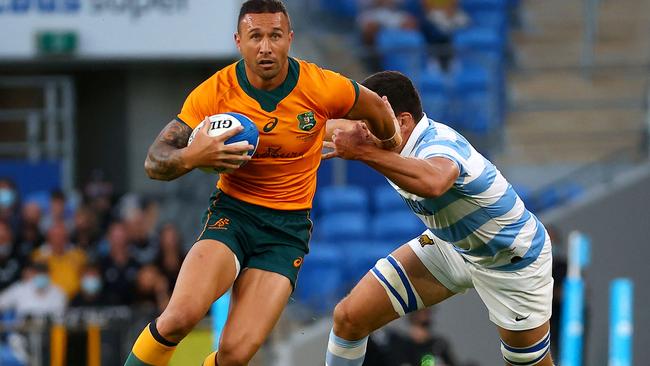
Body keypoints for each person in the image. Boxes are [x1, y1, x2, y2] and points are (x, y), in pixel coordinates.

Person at [123, 1, 402, 365]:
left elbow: (379, 109)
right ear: (239, 41)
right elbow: (154, 160)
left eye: (274, 36)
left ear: (290, 38)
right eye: (255, 36)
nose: (266, 47)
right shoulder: (215, 93)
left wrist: (389, 145)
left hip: (286, 233)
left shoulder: (322, 86)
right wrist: (194, 157)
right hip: (232, 216)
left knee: (236, 355)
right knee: (179, 318)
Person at [323, 71, 554, 366]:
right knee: (349, 317)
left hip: (511, 261)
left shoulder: (438, 144)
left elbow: (434, 183)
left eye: (367, 123)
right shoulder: (382, 136)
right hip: (450, 246)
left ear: (403, 121)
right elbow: (324, 127)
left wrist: (364, 153)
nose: (360, 133)